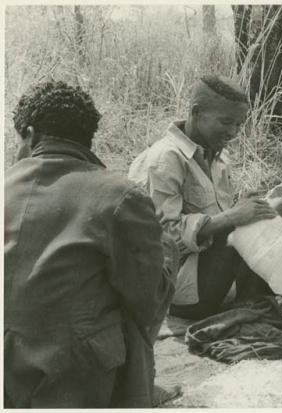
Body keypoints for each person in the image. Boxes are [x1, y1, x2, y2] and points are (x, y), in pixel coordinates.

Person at [4, 81, 179, 407]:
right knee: (136, 288)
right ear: (87, 136)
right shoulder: (120, 195)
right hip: (72, 375)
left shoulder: (5, 185)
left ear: (29, 134)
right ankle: (139, 395)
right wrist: (168, 248)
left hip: (8, 368)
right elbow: (150, 301)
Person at [128, 75, 277, 320]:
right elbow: (159, 240)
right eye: (226, 122)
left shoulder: (219, 157)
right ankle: (249, 304)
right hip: (169, 287)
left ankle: (250, 301)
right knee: (234, 232)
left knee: (271, 212)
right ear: (196, 112)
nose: (233, 132)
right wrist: (233, 216)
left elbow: (221, 216)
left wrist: (245, 208)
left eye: (239, 124)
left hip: (210, 275)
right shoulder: (165, 159)